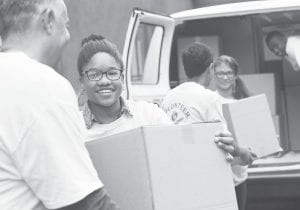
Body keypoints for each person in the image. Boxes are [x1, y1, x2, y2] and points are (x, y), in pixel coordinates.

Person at [0, 1, 119, 209]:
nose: (67, 37)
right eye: (67, 26)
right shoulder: (37, 83)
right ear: (48, 20)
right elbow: (83, 204)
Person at [161, 42, 254, 210]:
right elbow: (224, 143)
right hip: (210, 179)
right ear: (211, 68)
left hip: (183, 179)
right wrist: (244, 152)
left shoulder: (168, 98)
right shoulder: (208, 98)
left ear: (185, 69)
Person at [77, 34, 173, 140]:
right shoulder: (74, 129)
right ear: (82, 82)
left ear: (122, 79)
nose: (104, 81)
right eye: (94, 74)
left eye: (112, 73)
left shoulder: (149, 116)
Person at [212, 55, 252, 210]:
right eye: (219, 73)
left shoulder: (244, 102)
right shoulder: (210, 101)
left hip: (240, 175)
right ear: (213, 75)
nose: (224, 77)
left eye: (228, 73)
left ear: (235, 75)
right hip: (219, 173)